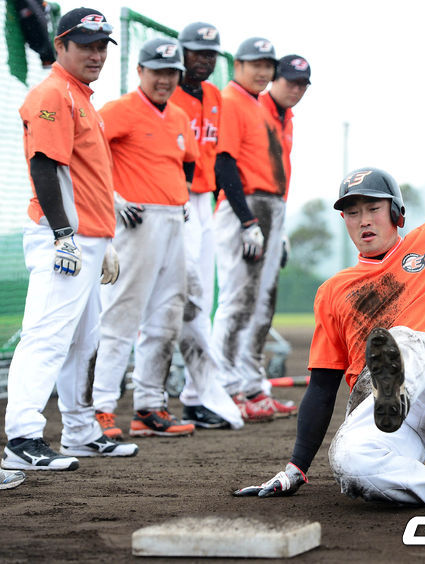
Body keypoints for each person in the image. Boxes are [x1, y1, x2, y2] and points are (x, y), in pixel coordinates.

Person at [233, 59, 425, 507]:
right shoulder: (333, 292)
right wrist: (295, 468)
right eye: (352, 212)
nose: (363, 220)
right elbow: (322, 387)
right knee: (350, 464)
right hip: (400, 424)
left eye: (373, 208)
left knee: (399, 340)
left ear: (396, 213)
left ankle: (394, 380)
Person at [2, 7, 138, 473]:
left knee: (83, 342)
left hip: (86, 237)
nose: (96, 54)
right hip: (62, 237)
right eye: (85, 45)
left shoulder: (80, 96)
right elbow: (43, 165)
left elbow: (81, 178)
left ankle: (80, 431)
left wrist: (102, 239)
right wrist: (64, 235)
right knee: (46, 337)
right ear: (60, 46)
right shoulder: (53, 93)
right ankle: (22, 439)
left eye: (102, 46)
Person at [91, 37, 199, 439]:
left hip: (173, 221)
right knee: (121, 315)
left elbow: (187, 163)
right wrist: (112, 197)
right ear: (140, 71)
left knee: (167, 316)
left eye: (171, 72)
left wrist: (180, 195)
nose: (165, 79)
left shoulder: (179, 116)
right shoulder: (118, 110)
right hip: (135, 220)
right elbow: (88, 153)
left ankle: (149, 407)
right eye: (157, 71)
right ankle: (100, 408)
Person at [211, 40, 307, 421]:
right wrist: (247, 220)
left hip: (272, 207)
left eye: (302, 84)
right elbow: (225, 163)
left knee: (262, 304)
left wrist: (277, 230)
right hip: (246, 205)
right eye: (289, 80)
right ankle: (225, 387)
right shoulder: (241, 102)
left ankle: (252, 386)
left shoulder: (276, 115)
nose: (295, 88)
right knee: (238, 300)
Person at [170, 22, 243, 430]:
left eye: (210, 53)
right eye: (197, 51)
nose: (204, 59)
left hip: (205, 203)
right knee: (178, 297)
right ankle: (152, 396)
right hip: (170, 200)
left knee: (202, 296)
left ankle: (196, 396)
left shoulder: (215, 96)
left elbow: (221, 157)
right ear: (181, 52)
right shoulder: (167, 93)